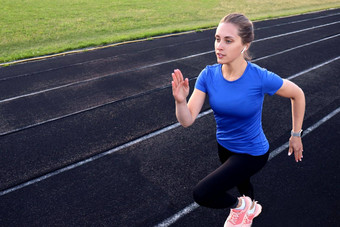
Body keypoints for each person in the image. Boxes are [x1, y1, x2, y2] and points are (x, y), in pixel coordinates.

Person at [171, 13, 305, 226]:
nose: (219, 46)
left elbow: (297, 94)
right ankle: (249, 209)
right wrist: (180, 101)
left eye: (228, 40)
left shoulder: (259, 77)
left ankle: (242, 208)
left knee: (203, 193)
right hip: (224, 147)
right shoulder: (208, 75)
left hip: (253, 152)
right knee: (243, 186)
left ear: (245, 45)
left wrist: (296, 135)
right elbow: (187, 120)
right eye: (217, 39)